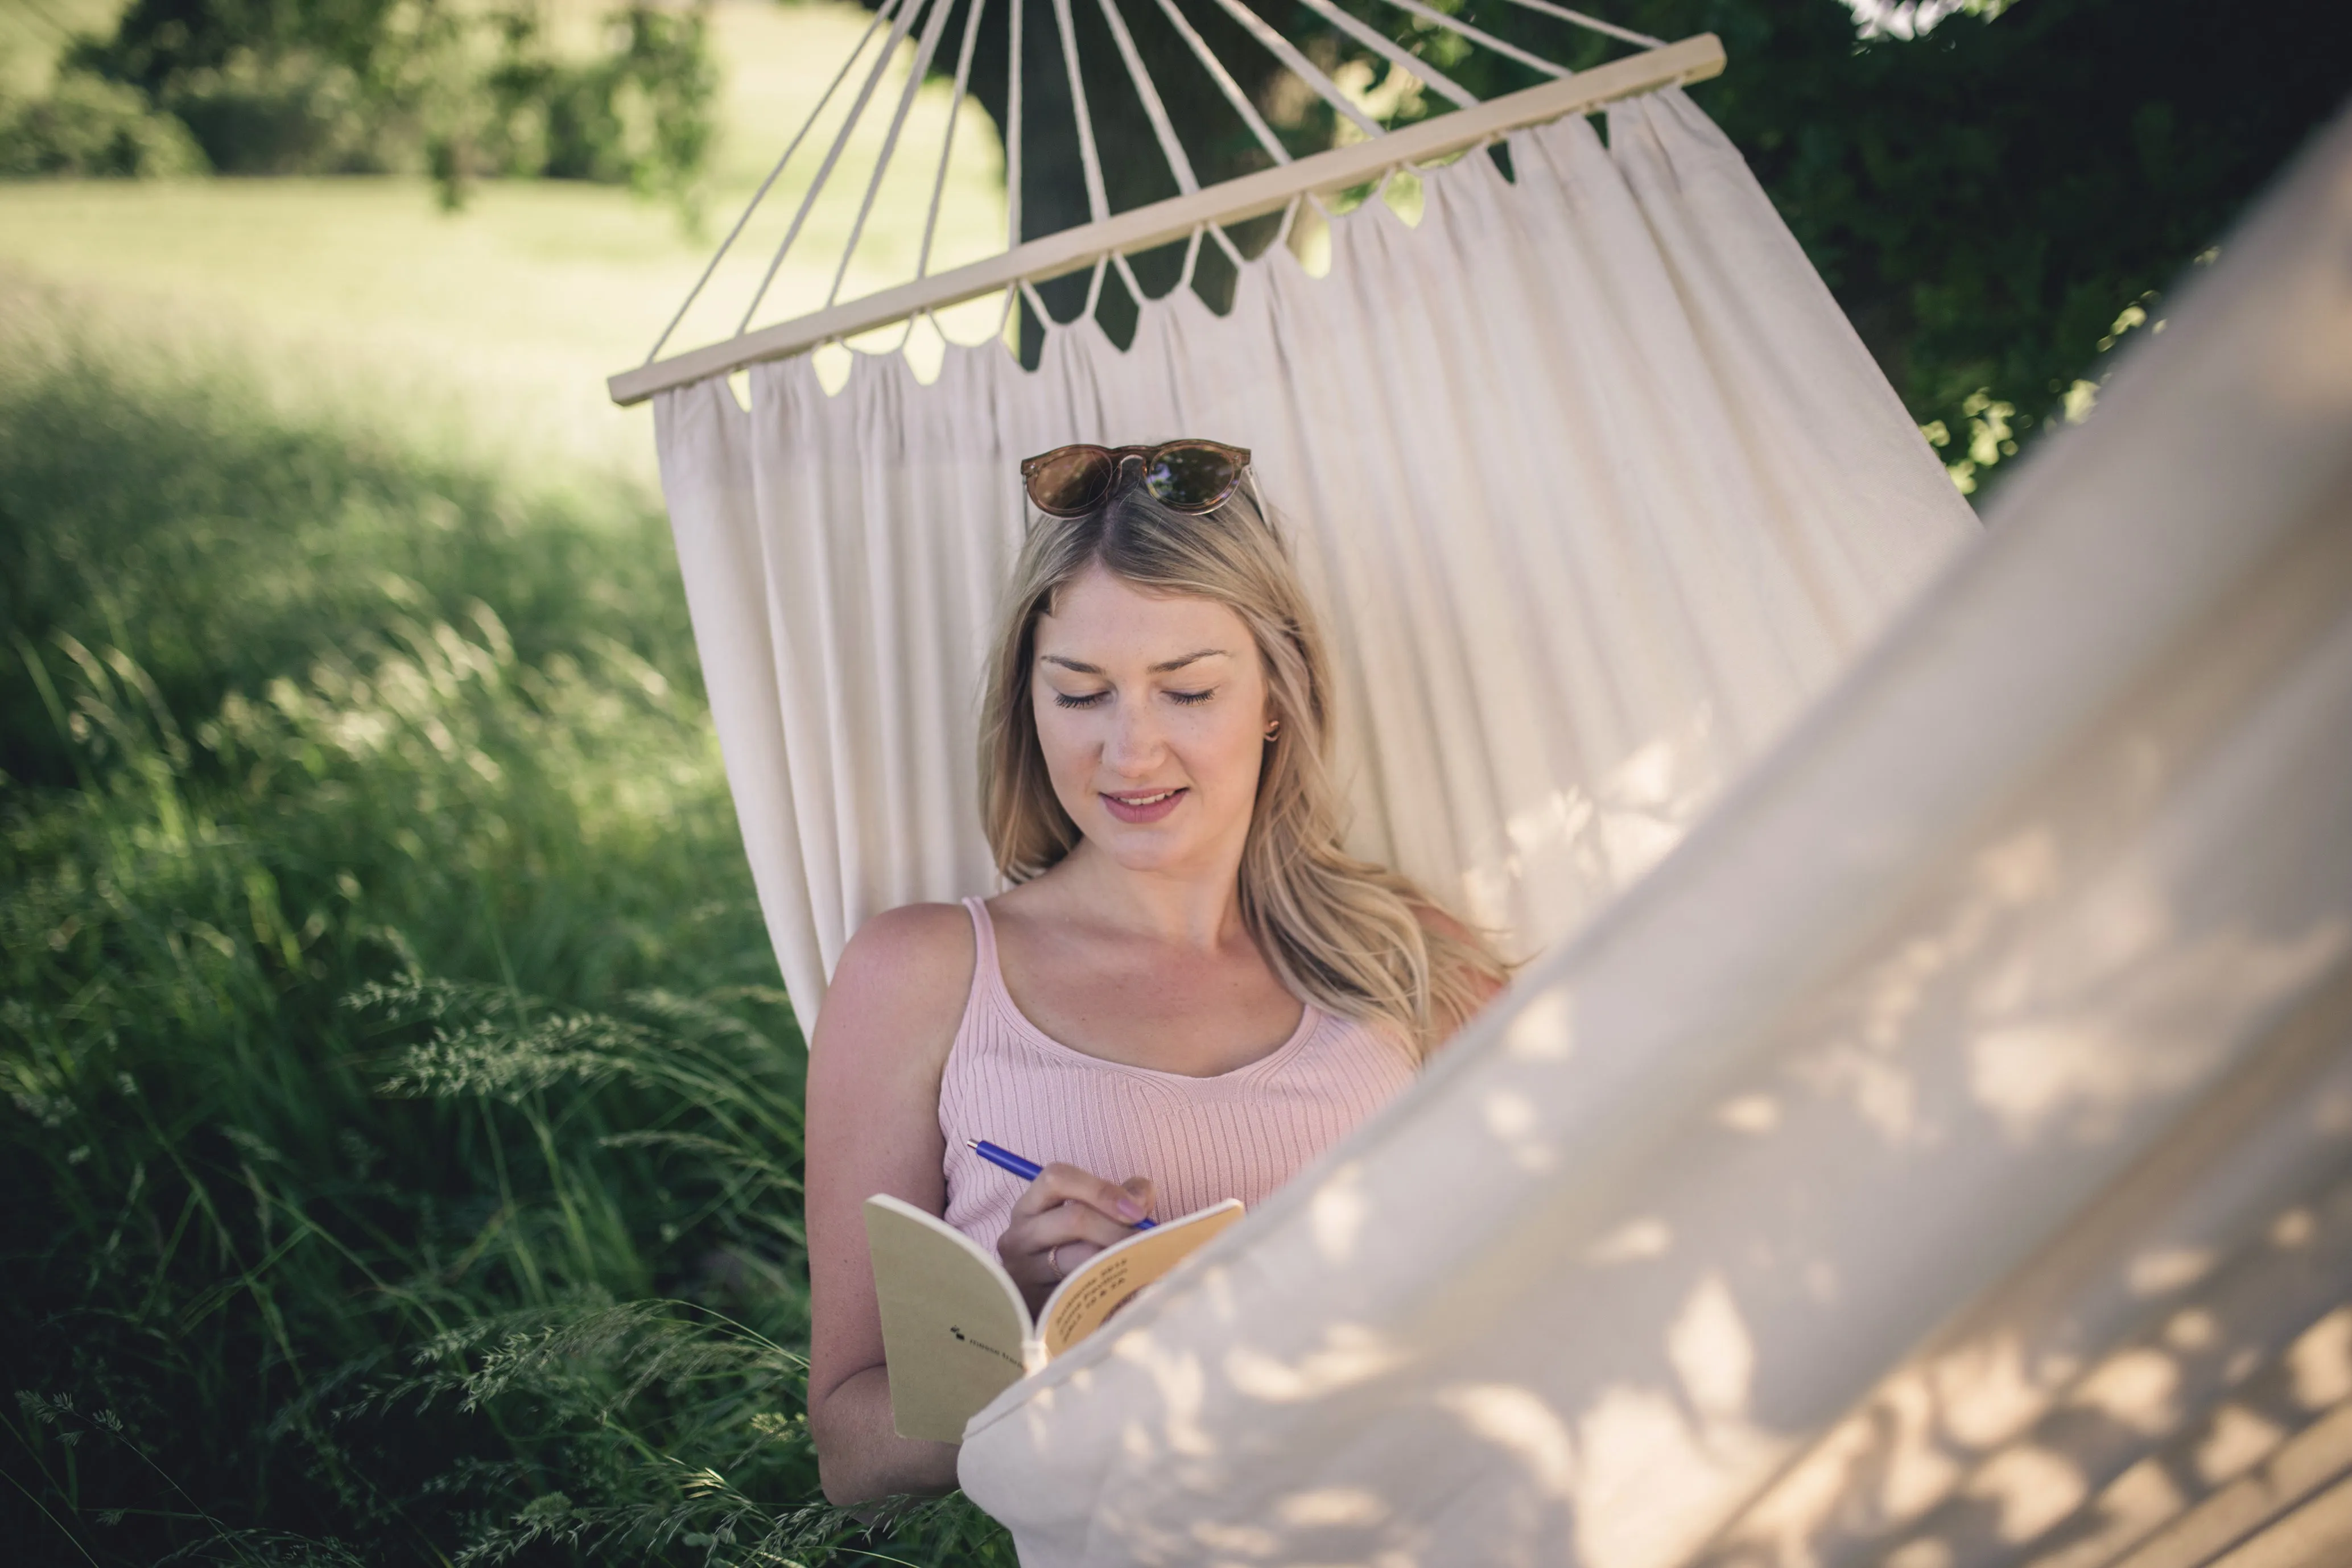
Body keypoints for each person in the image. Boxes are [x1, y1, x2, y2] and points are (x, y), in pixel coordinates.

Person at [803, 440, 1509, 1504]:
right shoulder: (922, 973)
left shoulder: (1412, 958)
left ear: (1278, 692)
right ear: (1026, 703)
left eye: (1185, 692)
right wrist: (1037, 1347)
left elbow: (1563, 1281)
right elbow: (850, 1456)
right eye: (1081, 695)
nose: (1130, 755)